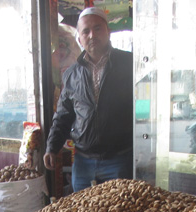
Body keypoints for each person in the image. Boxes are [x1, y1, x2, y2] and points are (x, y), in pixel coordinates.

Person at [43, 7, 134, 193]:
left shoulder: (129, 63)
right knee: (82, 211)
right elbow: (63, 115)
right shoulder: (71, 74)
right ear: (79, 38)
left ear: (108, 31)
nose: (92, 35)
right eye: (86, 31)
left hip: (119, 160)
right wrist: (52, 147)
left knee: (120, 209)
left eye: (97, 28)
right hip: (84, 163)